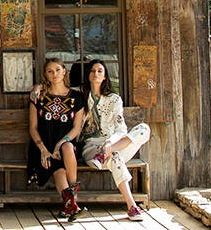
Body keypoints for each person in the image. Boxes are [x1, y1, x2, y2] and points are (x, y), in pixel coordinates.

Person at [80, 59, 151, 221]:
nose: (95, 74)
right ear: (88, 75)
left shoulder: (114, 99)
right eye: (92, 71)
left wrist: (110, 142)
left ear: (105, 76)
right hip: (92, 149)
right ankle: (132, 206)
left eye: (99, 71)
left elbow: (121, 129)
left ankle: (108, 152)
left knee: (144, 129)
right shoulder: (81, 95)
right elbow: (59, 89)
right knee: (116, 156)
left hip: (114, 143)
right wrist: (38, 87)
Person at [27, 59, 85, 221]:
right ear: (45, 74)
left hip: (66, 148)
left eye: (58, 70)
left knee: (66, 147)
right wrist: (44, 150)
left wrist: (60, 143)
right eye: (50, 71)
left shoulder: (77, 97)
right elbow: (32, 128)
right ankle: (71, 204)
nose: (54, 74)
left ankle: (71, 201)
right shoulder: (38, 96)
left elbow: (77, 128)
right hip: (42, 147)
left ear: (64, 71)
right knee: (58, 170)